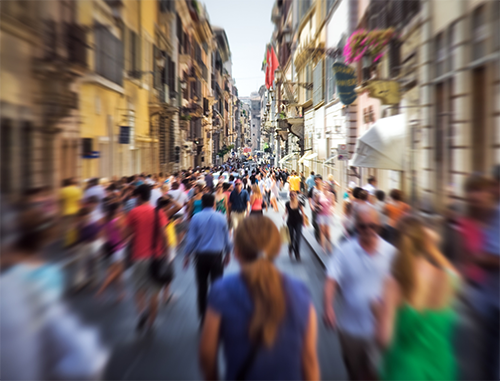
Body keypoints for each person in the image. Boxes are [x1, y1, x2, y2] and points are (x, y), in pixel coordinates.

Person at [199, 216, 320, 381]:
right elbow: (309, 360)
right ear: (277, 250)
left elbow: (207, 355)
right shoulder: (300, 291)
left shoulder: (221, 290)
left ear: (237, 251)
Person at [377, 216, 459, 381]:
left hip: (406, 370)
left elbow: (384, 340)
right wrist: (432, 249)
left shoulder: (394, 284)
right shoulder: (447, 279)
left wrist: (377, 311)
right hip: (441, 368)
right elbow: (454, 274)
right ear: (425, 244)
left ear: (397, 244)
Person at [323, 204, 397, 381]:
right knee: (355, 374)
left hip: (382, 331)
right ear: (356, 226)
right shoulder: (344, 251)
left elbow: (404, 286)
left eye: (372, 225)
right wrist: (328, 307)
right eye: (362, 226)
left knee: (378, 375)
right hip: (351, 330)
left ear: (379, 226)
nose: (368, 230)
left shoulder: (392, 253)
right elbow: (331, 280)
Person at [126, 184, 168, 332]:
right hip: (156, 256)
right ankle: (151, 322)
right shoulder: (158, 212)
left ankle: (142, 312)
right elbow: (164, 234)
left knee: (139, 288)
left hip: (138, 256)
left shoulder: (133, 213)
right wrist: (167, 253)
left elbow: (125, 235)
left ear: (138, 196)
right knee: (154, 291)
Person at [183, 194, 232, 322]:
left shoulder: (195, 218)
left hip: (201, 257)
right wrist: (228, 253)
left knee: (202, 286)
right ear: (214, 204)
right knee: (217, 286)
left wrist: (187, 255)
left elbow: (191, 239)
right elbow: (227, 237)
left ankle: (203, 316)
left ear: (202, 204)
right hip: (217, 256)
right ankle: (216, 315)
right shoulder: (221, 217)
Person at [95, 202, 126, 302]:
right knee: (114, 272)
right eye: (119, 209)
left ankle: (120, 293)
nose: (120, 210)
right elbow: (123, 232)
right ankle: (101, 290)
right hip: (118, 248)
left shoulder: (106, 221)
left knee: (118, 273)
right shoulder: (116, 221)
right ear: (116, 210)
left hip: (110, 248)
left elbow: (102, 233)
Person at [312, 176, 335, 253]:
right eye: (324, 186)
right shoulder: (319, 195)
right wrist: (318, 206)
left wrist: (332, 208)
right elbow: (315, 204)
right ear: (322, 186)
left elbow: (333, 204)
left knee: (327, 232)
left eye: (326, 186)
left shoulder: (331, 195)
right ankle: (323, 247)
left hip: (328, 215)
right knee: (322, 231)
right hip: (321, 215)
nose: (325, 187)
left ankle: (328, 244)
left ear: (328, 187)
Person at [60, 177, 83, 247]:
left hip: (66, 211)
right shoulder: (78, 190)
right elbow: (79, 202)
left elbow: (61, 201)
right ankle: (74, 241)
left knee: (67, 227)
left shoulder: (63, 190)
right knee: (75, 226)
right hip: (76, 210)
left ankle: (67, 242)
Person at [284, 191, 306, 261]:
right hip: (290, 222)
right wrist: (284, 215)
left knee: (298, 237)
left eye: (294, 194)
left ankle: (297, 252)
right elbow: (286, 212)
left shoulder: (299, 203)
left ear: (296, 195)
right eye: (291, 194)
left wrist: (304, 222)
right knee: (291, 237)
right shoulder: (287, 203)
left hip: (298, 221)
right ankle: (290, 248)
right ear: (290, 196)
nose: (293, 195)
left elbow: (303, 213)